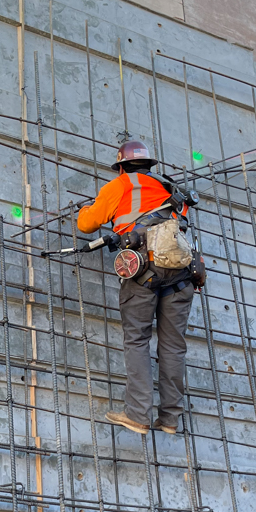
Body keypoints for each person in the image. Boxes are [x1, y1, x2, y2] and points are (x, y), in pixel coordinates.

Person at [76, 139, 194, 436]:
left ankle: (137, 414)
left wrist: (86, 209)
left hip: (143, 270)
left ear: (122, 166)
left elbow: (87, 225)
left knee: (137, 340)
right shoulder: (171, 189)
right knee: (173, 347)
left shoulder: (120, 185)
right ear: (148, 164)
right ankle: (169, 419)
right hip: (181, 275)